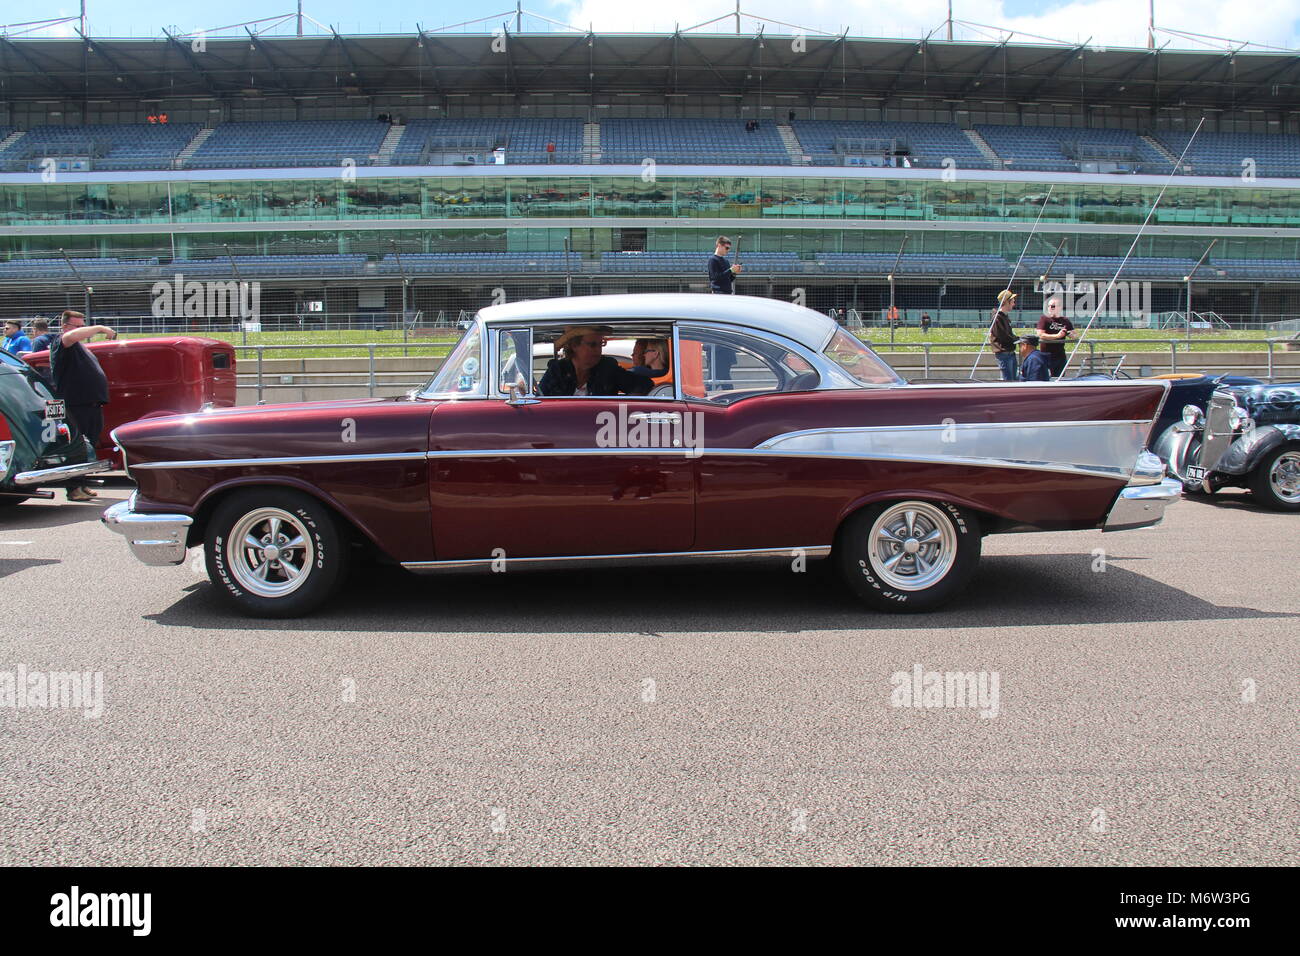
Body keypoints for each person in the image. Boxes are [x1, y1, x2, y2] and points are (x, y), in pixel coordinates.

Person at [49, 310, 116, 501]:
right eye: (78, 326)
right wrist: (100, 328)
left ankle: (81, 483)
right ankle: (74, 488)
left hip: (90, 404)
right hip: (75, 404)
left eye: (83, 325)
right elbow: (70, 337)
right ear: (64, 326)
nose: (82, 330)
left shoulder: (80, 347)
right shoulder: (61, 342)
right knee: (77, 448)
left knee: (88, 446)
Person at [538, 326, 654, 397]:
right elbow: (539, 398)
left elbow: (645, 385)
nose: (598, 350)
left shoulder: (607, 368)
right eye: (592, 345)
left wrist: (630, 399)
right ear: (574, 345)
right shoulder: (558, 370)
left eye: (601, 344)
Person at [1036, 297, 1075, 379]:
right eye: (1049, 306)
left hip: (1060, 356)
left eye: (1053, 306)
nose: (1050, 308)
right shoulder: (1044, 319)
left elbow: (1074, 335)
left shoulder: (1065, 320)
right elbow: (1041, 334)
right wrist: (1057, 336)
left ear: (1059, 307)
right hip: (1046, 355)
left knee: (1060, 378)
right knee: (1045, 379)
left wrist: (1069, 334)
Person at [988, 290, 1018, 382]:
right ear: (1006, 302)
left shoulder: (1004, 316)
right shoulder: (998, 318)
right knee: (1008, 382)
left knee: (1012, 382)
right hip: (1004, 354)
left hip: (1009, 353)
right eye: (1012, 301)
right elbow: (1003, 336)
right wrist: (1017, 339)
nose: (1014, 304)